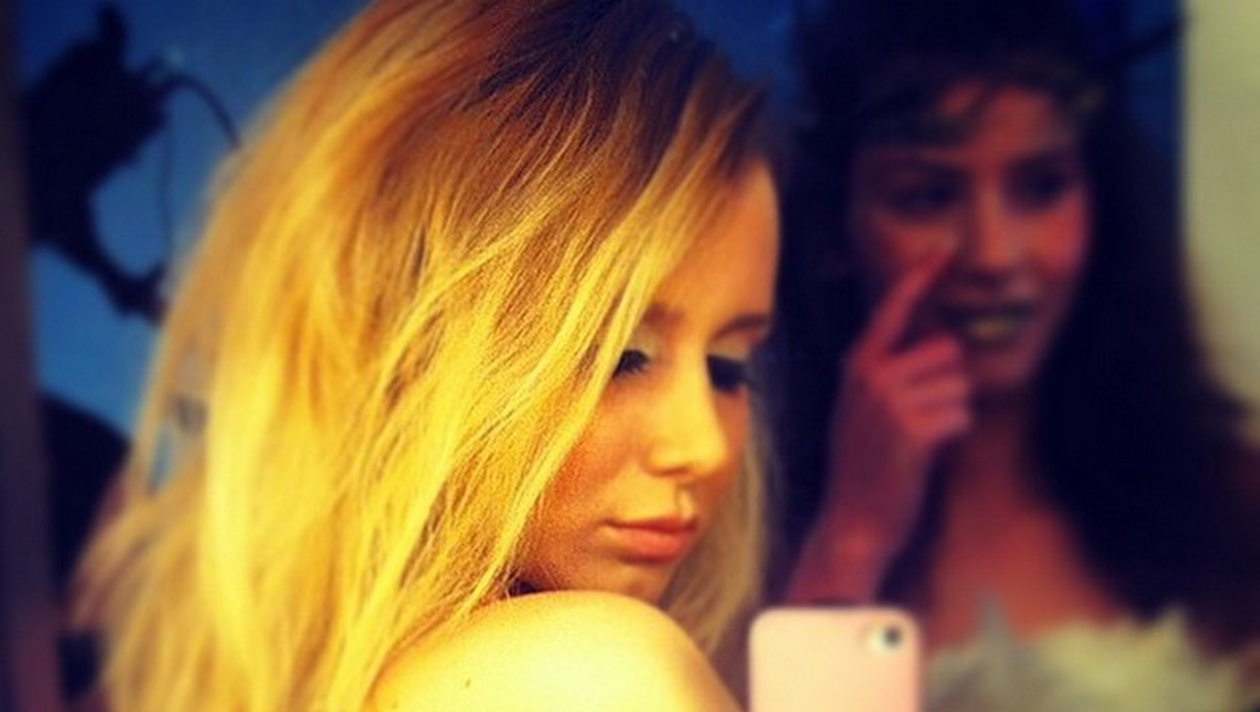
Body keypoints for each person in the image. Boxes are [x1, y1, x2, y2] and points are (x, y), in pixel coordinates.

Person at [70, 1, 779, 710]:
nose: (705, 446)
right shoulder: (592, 676)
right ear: (402, 332)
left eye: (729, 367)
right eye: (619, 354)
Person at [774, 0, 1260, 707]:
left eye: (1041, 187)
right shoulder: (751, 537)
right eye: (927, 196)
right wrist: (850, 541)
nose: (995, 255)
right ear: (835, 231)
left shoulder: (1228, 505)